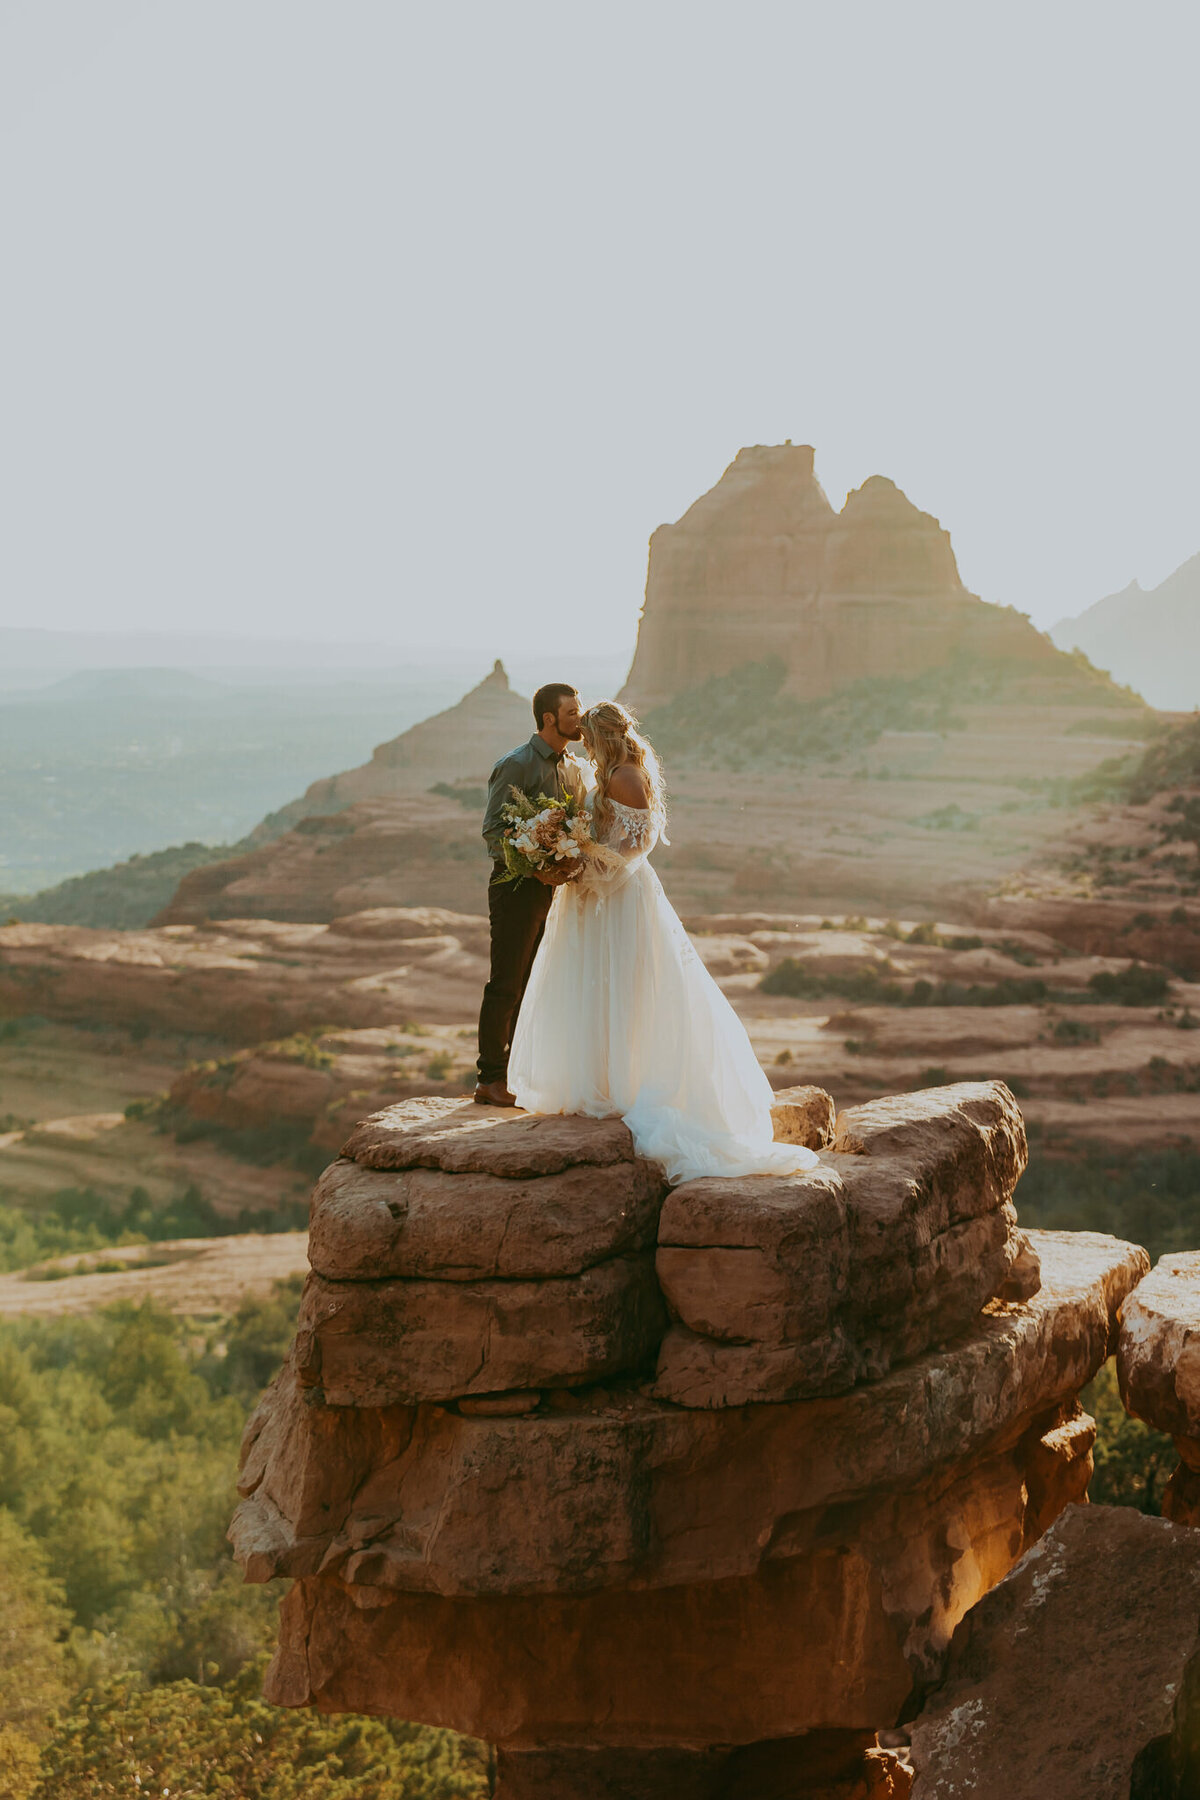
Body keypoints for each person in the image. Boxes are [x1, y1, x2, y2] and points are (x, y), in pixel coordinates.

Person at [507, 699, 818, 1183]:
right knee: (591, 979)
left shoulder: (624, 776)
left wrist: (589, 866)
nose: (583, 745)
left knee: (626, 983)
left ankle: (628, 1084)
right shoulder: (606, 772)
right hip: (592, 895)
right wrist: (566, 854)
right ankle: (600, 1081)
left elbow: (640, 841)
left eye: (587, 738)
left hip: (620, 894)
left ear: (602, 737)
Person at [474, 681, 588, 1106]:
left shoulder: (569, 767)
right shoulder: (517, 765)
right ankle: (489, 1080)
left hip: (551, 893)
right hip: (516, 890)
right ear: (549, 719)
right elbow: (492, 832)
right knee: (505, 985)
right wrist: (534, 865)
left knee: (533, 985)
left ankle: (517, 1074)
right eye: (573, 713)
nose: (579, 719)